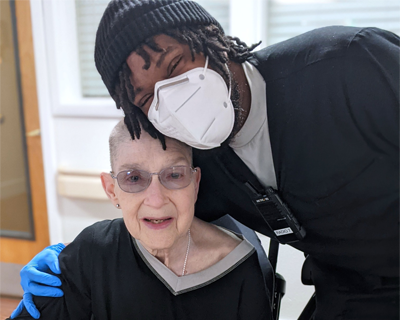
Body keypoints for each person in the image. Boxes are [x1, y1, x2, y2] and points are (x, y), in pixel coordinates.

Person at [13, 0, 399, 319]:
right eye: (146, 98)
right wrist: (72, 262)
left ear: (215, 42)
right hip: (349, 293)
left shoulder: (350, 64)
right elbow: (156, 215)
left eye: (176, 65)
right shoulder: (203, 167)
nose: (171, 98)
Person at [8, 120, 272, 320]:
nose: (156, 200)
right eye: (134, 178)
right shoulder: (94, 252)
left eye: (175, 175)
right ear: (112, 190)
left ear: (195, 183)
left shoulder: (240, 267)